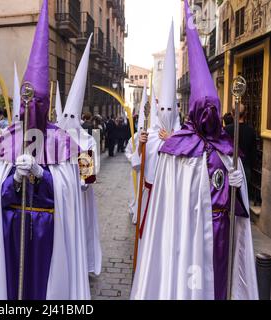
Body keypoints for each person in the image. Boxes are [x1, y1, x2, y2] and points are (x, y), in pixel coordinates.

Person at [130, 2, 258, 300]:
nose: (210, 115)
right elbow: (169, 207)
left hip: (221, 233)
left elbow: (237, 206)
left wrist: (238, 186)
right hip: (187, 235)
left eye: (214, 109)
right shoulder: (177, 151)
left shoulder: (229, 150)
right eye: (205, 109)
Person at [0, 0, 90, 300]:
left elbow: (74, 191)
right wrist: (13, 181)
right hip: (11, 230)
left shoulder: (67, 144)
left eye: (37, 102)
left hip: (51, 234)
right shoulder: (6, 143)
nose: (31, 108)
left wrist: (44, 175)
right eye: (26, 101)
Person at [125, 24, 181, 263]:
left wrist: (174, 143)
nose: (166, 112)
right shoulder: (147, 133)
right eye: (163, 109)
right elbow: (136, 165)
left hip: (170, 198)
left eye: (171, 108)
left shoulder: (183, 136)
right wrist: (141, 146)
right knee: (148, 238)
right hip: (148, 194)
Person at [57, 35, 102, 276]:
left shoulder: (85, 141)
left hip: (80, 199)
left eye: (73, 119)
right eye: (67, 118)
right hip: (61, 197)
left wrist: (78, 180)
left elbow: (87, 180)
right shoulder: (54, 139)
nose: (69, 123)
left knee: (81, 230)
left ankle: (83, 264)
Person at [225, 103, 257, 187]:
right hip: (245, 167)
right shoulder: (251, 131)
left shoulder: (226, 130)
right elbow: (254, 153)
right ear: (245, 114)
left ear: (232, 114)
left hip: (230, 167)